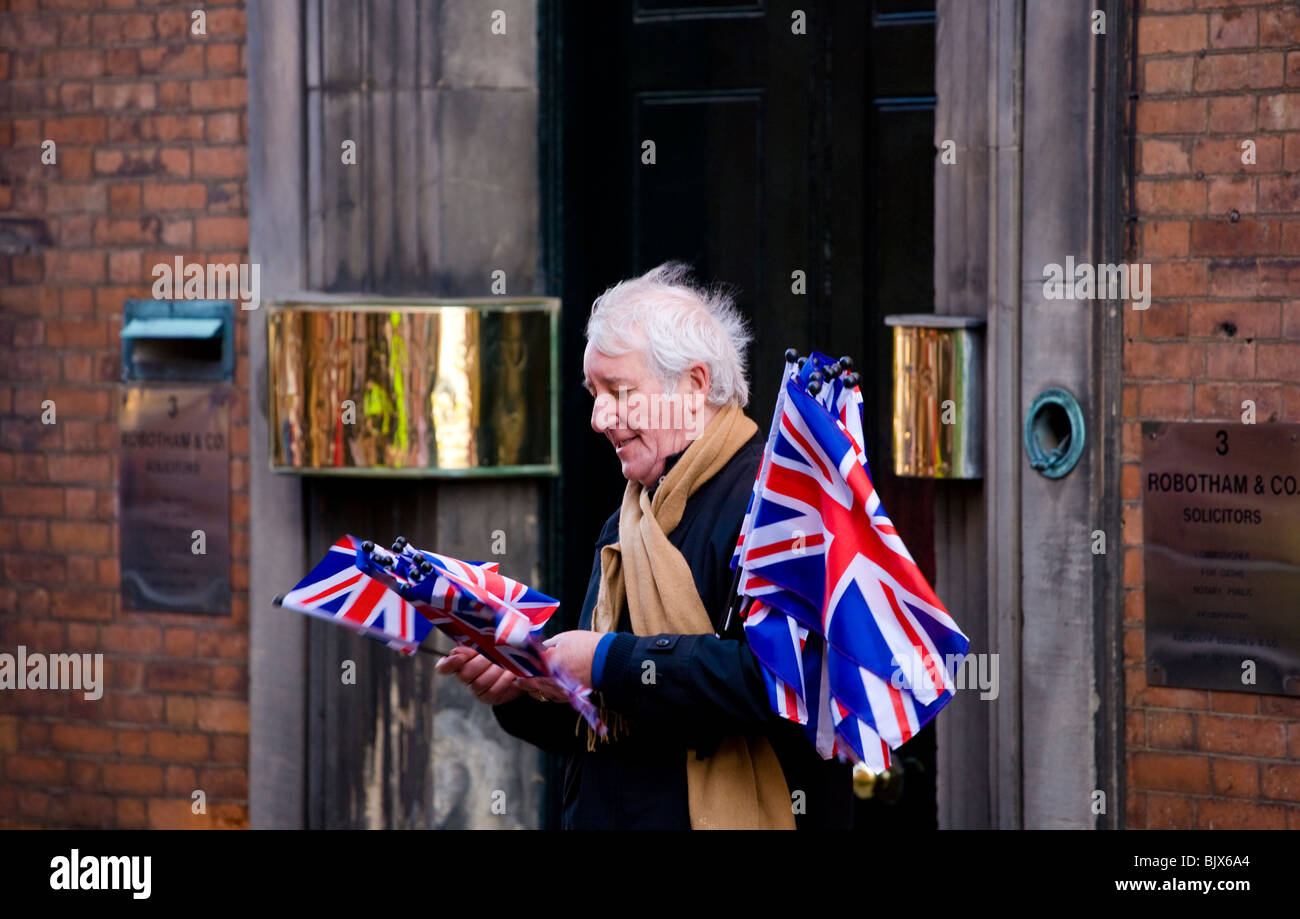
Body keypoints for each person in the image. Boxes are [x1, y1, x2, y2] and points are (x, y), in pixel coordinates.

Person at [437, 262, 853, 829]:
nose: (597, 417)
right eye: (593, 392)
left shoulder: (775, 503)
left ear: (694, 386)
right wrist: (524, 685)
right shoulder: (628, 518)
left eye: (619, 391)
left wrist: (605, 659)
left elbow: (780, 681)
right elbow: (604, 729)